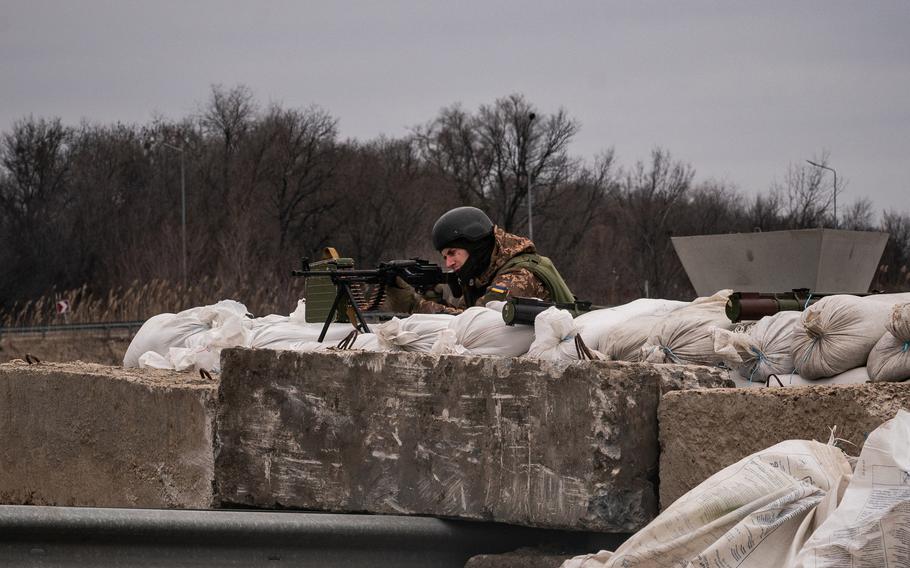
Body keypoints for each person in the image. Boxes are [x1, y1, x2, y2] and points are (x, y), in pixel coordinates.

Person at [383, 206, 575, 314]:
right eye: (444, 257)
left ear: (473, 245)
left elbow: (474, 322)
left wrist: (414, 305)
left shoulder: (518, 277)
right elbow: (463, 312)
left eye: (452, 253)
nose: (448, 263)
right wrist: (431, 297)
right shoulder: (484, 275)